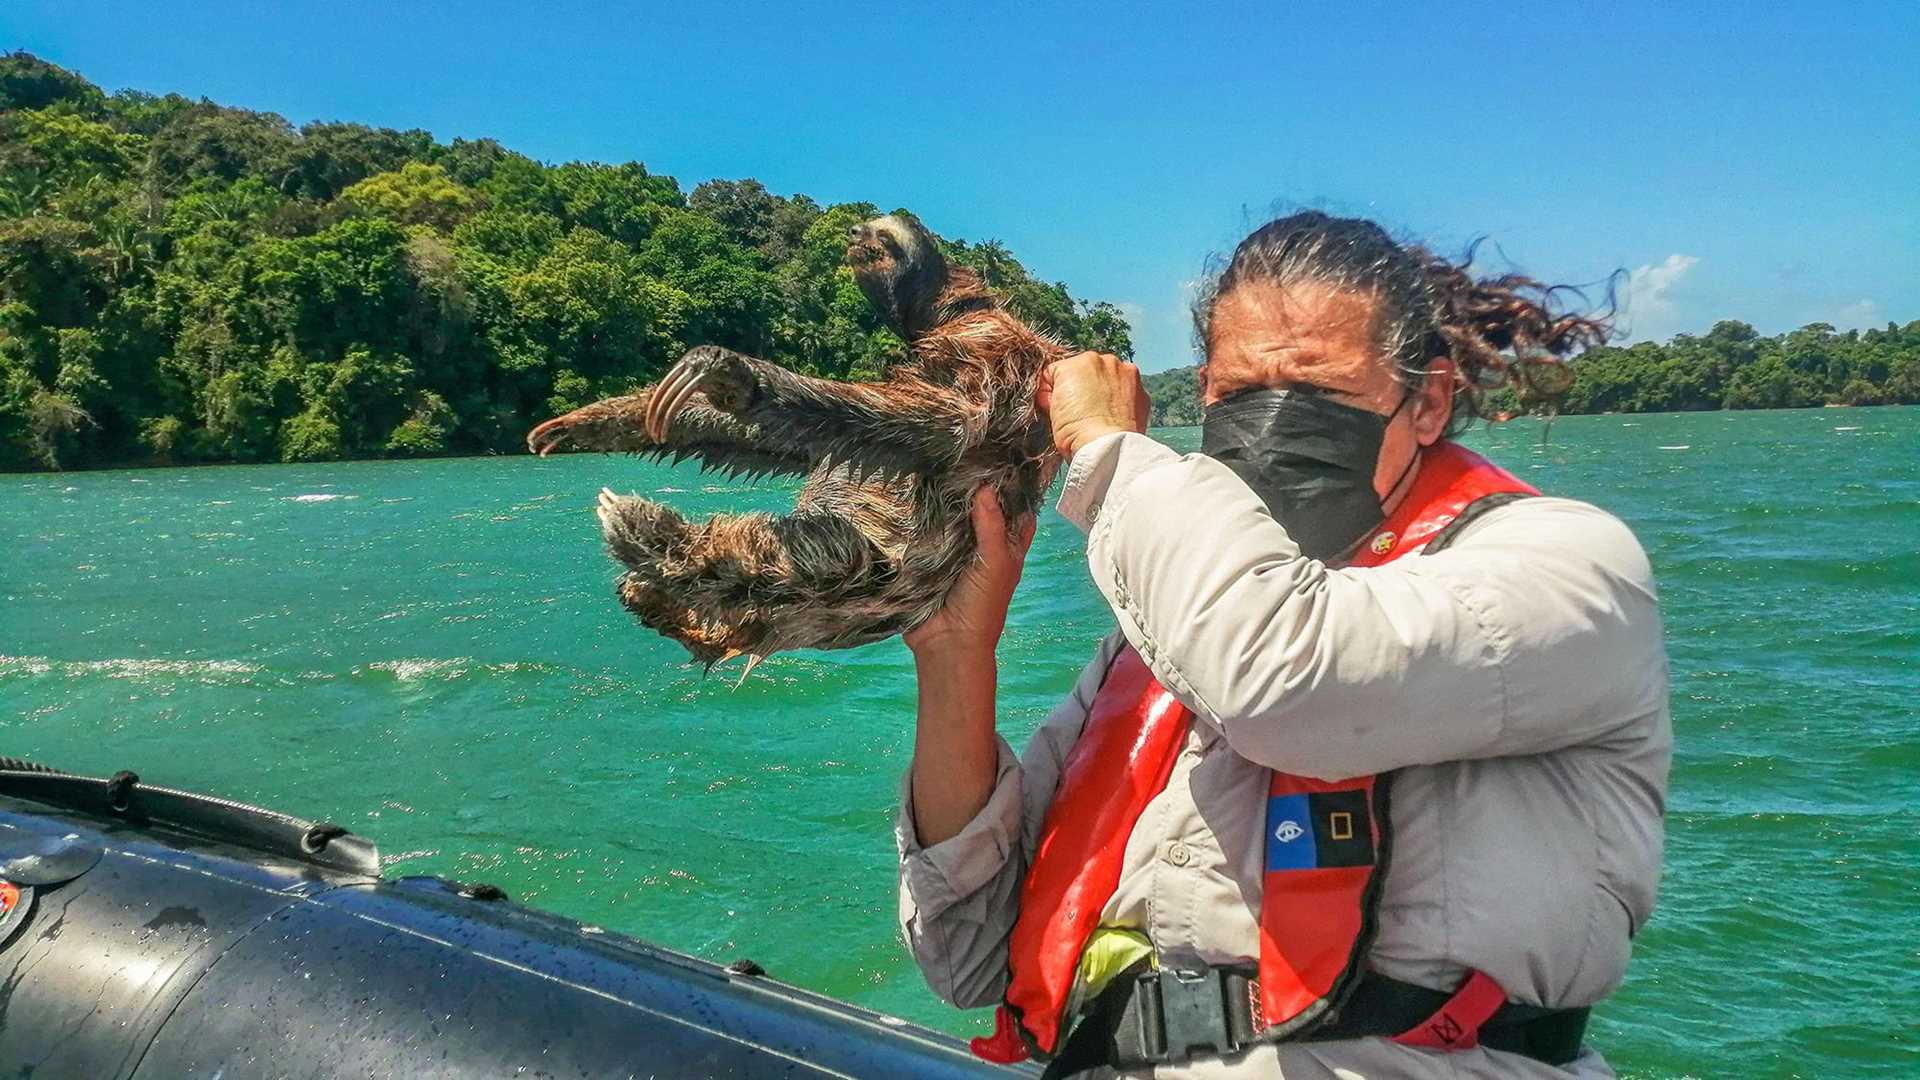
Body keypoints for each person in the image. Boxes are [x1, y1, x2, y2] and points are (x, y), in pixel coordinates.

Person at [895, 212, 1671, 1078]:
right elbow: (966, 951)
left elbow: (1279, 682)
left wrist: (1110, 453)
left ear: (1428, 403)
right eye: (1238, 398)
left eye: (1322, 393)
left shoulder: (1568, 566)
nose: (1272, 429)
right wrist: (956, 652)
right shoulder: (1173, 623)